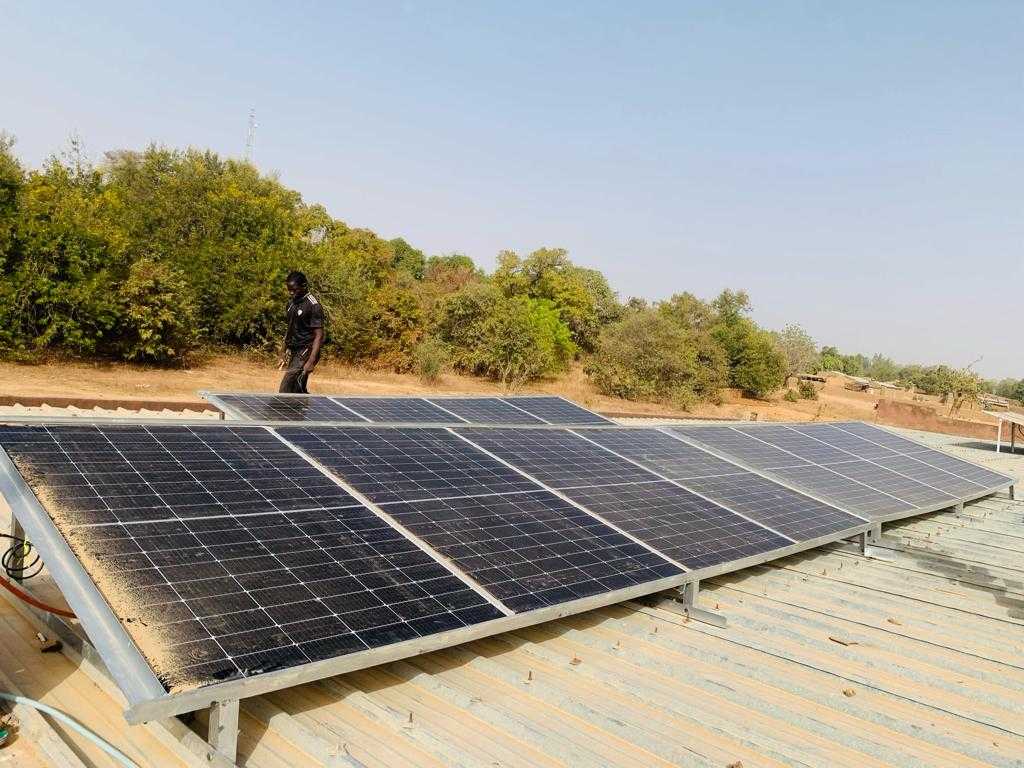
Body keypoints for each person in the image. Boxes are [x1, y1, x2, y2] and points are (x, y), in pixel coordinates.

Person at [278, 271, 325, 393]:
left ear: (304, 286)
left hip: (306, 350)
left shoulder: (313, 305)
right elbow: (290, 328)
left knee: (285, 389)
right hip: (294, 349)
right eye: (289, 289)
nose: (291, 292)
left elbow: (319, 336)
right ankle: (301, 410)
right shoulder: (291, 303)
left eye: (294, 289)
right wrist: (282, 351)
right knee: (297, 389)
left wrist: (311, 361)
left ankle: (282, 411)